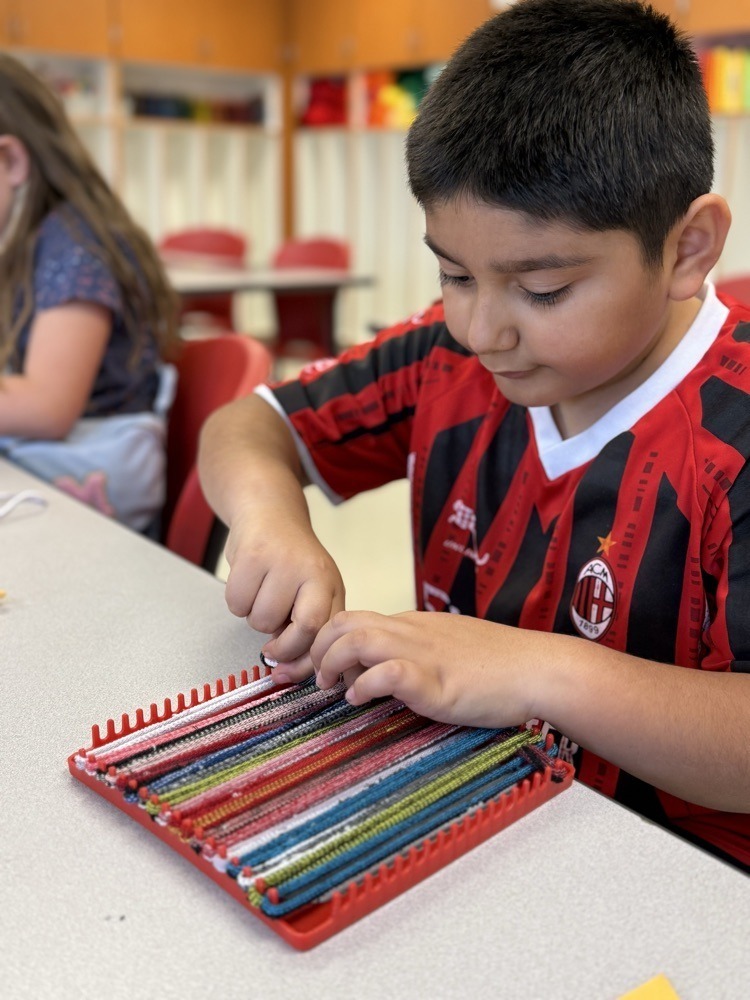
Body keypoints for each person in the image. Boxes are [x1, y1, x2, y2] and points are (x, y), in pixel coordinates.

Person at [198, 0, 750, 870]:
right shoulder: (444, 359)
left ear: (688, 248)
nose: (482, 328)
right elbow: (248, 424)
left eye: (542, 289)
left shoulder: (734, 430)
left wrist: (534, 670)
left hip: (678, 880)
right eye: (455, 273)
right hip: (468, 821)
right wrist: (272, 526)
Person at [0, 54, 178, 533]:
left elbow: (46, 406)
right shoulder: (33, 238)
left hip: (98, 518)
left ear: (13, 161)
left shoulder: (74, 242)